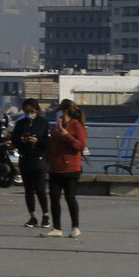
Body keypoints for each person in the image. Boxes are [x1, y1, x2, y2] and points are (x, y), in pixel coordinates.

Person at [43, 99, 86, 238]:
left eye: (60, 111)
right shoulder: (57, 125)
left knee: (70, 197)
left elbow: (80, 145)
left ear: (65, 111)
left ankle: (75, 227)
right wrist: (47, 158)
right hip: (55, 167)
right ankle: (57, 228)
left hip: (71, 168)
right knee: (54, 197)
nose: (58, 114)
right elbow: (51, 143)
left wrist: (67, 136)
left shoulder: (76, 125)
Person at [11, 98, 50, 228]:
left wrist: (37, 141)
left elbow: (48, 142)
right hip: (25, 158)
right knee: (28, 190)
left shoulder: (43, 123)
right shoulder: (20, 123)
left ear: (37, 110)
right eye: (26, 111)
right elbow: (14, 141)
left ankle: (46, 215)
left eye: (31, 111)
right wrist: (22, 139)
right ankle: (32, 216)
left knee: (40, 189)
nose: (29, 114)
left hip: (39, 159)